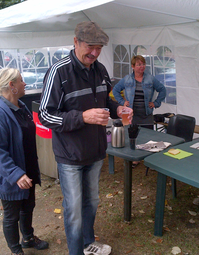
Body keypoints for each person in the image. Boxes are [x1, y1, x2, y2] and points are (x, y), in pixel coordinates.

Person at [39, 21, 133, 255]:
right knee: (73, 209)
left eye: (99, 47)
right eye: (90, 46)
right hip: (70, 155)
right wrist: (83, 117)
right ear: (76, 42)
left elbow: (106, 101)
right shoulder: (58, 71)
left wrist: (117, 109)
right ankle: (76, 252)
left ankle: (88, 242)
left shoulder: (100, 70)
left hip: (95, 151)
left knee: (91, 202)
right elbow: (45, 115)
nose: (94, 52)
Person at [0, 68, 49, 255]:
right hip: (10, 177)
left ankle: (28, 238)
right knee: (11, 216)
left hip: (26, 169)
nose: (25, 83)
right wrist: (16, 174)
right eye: (21, 80)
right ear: (11, 86)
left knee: (28, 206)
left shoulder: (20, 107)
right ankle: (15, 250)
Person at [112, 55, 166, 167]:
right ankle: (134, 158)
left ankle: (149, 160)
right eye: (139, 64)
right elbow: (116, 90)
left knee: (149, 137)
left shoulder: (150, 78)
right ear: (133, 66)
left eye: (143, 64)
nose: (142, 66)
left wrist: (155, 103)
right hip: (131, 114)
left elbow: (162, 90)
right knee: (132, 136)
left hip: (146, 113)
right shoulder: (127, 79)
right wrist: (122, 102)